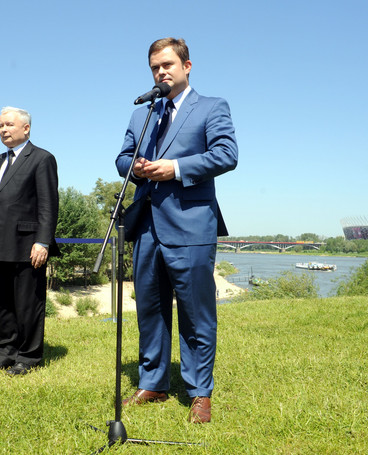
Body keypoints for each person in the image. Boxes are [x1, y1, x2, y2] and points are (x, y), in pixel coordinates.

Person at [115, 38, 238, 423]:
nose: (161, 72)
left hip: (191, 225)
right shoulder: (143, 113)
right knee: (149, 308)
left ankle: (200, 391)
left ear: (187, 66)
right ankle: (153, 382)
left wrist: (176, 168)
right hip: (148, 225)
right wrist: (133, 168)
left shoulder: (212, 107)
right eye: (155, 67)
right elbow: (122, 156)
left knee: (196, 313)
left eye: (167, 64)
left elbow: (226, 154)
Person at [0, 106, 59, 376]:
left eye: (9, 125)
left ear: (25, 128)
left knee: (27, 303)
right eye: (0, 126)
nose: (3, 130)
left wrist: (43, 241)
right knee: (0, 303)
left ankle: (27, 358)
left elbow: (48, 205)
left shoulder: (42, 158)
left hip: (26, 244)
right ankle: (4, 353)